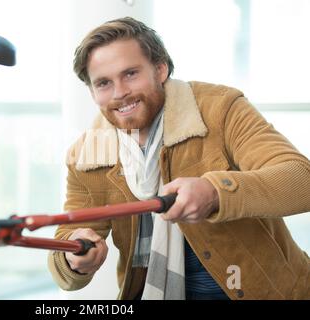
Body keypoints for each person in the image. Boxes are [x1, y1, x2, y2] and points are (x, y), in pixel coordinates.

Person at [47, 17, 310, 300]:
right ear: (92, 92)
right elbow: (68, 242)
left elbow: (301, 179)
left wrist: (215, 192)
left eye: (131, 74)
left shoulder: (220, 109)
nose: (120, 93)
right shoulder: (87, 153)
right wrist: (74, 259)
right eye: (103, 83)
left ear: (161, 69)